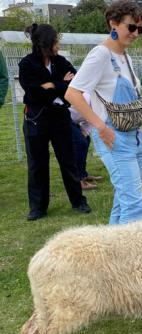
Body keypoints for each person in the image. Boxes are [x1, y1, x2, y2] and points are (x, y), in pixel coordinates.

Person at [66, 0, 142, 225]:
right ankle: (127, 258)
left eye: (139, 29)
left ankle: (109, 254)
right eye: (131, 27)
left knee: (124, 200)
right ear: (113, 23)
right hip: (114, 138)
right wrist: (100, 127)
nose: (135, 33)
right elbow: (72, 93)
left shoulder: (126, 56)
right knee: (134, 204)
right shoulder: (100, 55)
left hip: (135, 136)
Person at [18, 23, 91, 221]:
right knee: (37, 165)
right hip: (36, 119)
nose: (58, 44)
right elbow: (33, 93)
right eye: (55, 41)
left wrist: (52, 85)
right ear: (45, 43)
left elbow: (76, 84)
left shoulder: (61, 62)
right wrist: (61, 85)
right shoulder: (26, 64)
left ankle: (78, 201)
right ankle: (38, 207)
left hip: (60, 118)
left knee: (68, 161)